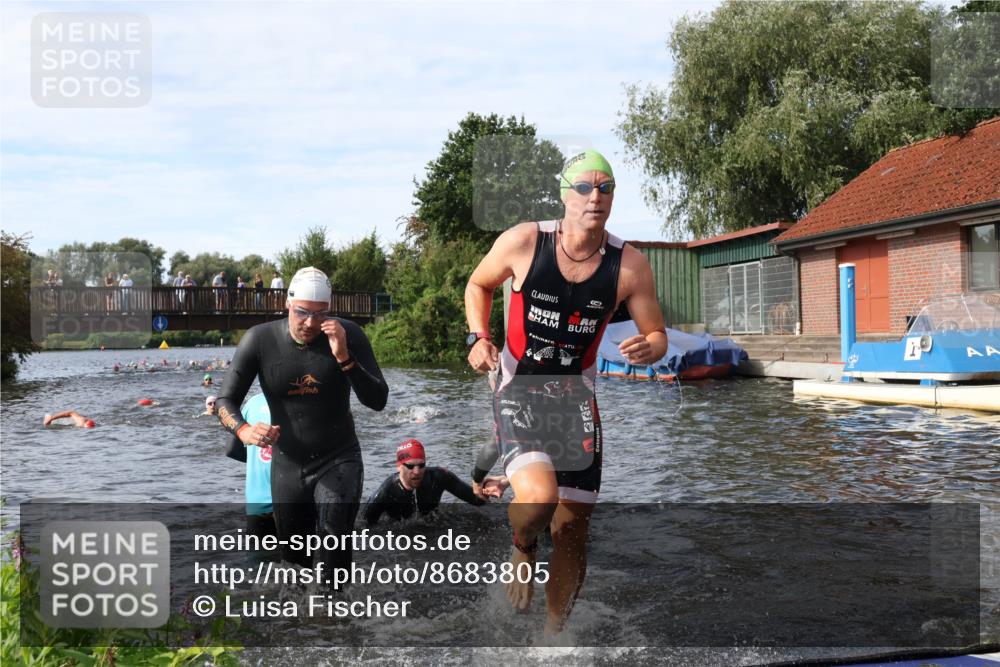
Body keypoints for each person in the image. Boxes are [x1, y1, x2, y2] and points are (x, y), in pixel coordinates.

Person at [464, 149, 666, 634]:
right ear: (564, 195)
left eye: (605, 188)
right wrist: (478, 337)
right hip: (520, 388)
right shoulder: (525, 241)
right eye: (584, 188)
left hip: (576, 398)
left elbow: (657, 334)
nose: (595, 197)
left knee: (573, 528)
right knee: (537, 500)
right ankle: (522, 544)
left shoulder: (629, 265)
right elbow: (478, 284)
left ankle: (555, 639)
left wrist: (651, 348)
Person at [216, 266, 388, 587]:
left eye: (320, 315)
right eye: (302, 313)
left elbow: (378, 400)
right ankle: (300, 630)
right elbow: (225, 401)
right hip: (288, 467)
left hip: (339, 460)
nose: (311, 323)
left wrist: (345, 359)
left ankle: (337, 627)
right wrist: (243, 431)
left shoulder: (348, 334)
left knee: (333, 551)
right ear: (287, 304)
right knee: (294, 568)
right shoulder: (260, 339)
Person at [363, 439, 508, 525]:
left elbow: (475, 499)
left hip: (433, 527)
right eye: (410, 466)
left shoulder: (438, 476)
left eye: (421, 465)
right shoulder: (387, 490)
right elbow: (365, 525)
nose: (417, 471)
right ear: (399, 466)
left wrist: (487, 489)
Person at [223, 393, 277, 539]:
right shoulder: (306, 402)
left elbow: (231, 450)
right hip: (295, 499)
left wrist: (257, 459)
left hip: (257, 501)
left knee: (258, 557)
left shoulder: (252, 403)